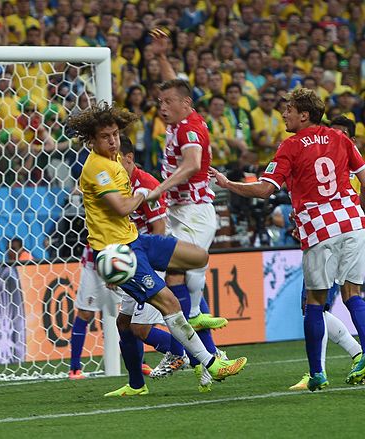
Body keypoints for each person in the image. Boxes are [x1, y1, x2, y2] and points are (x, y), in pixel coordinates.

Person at [67, 102, 247, 397]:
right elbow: (121, 206)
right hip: (119, 253)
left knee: (197, 257)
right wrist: (141, 195)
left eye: (114, 134)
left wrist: (140, 195)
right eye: (105, 137)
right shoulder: (98, 169)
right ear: (91, 140)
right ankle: (209, 362)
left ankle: (138, 383)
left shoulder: (114, 163)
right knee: (168, 304)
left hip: (137, 241)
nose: (112, 141)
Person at [210, 88, 365, 391]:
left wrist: (229, 184)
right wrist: (358, 207)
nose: (284, 114)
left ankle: (317, 373)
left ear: (304, 115)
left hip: (320, 229)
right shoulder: (341, 139)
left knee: (315, 302)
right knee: (354, 294)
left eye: (290, 109)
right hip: (352, 222)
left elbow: (266, 190)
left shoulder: (291, 146)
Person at [146, 28, 228, 392]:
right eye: (160, 102)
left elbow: (193, 164)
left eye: (167, 103)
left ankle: (189, 340)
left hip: (195, 210)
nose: (161, 106)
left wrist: (157, 190)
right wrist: (163, 55)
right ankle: (206, 357)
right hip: (180, 209)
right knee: (176, 276)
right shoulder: (179, 118)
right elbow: (173, 86)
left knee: (181, 271)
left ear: (186, 105)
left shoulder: (190, 130)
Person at [68, 135, 188, 385]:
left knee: (140, 328)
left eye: (115, 157)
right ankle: (135, 383)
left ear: (128, 158)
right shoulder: (108, 179)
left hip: (140, 262)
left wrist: (143, 269)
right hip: (120, 260)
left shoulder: (145, 184)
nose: (110, 161)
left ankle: (190, 355)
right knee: (123, 322)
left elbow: (158, 230)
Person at [288, 115, 364, 390]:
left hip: (332, 234)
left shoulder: (348, 169)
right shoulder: (332, 158)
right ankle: (350, 357)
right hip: (349, 229)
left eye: (340, 133)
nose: (328, 140)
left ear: (351, 140)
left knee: (315, 304)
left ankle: (321, 370)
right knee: (330, 302)